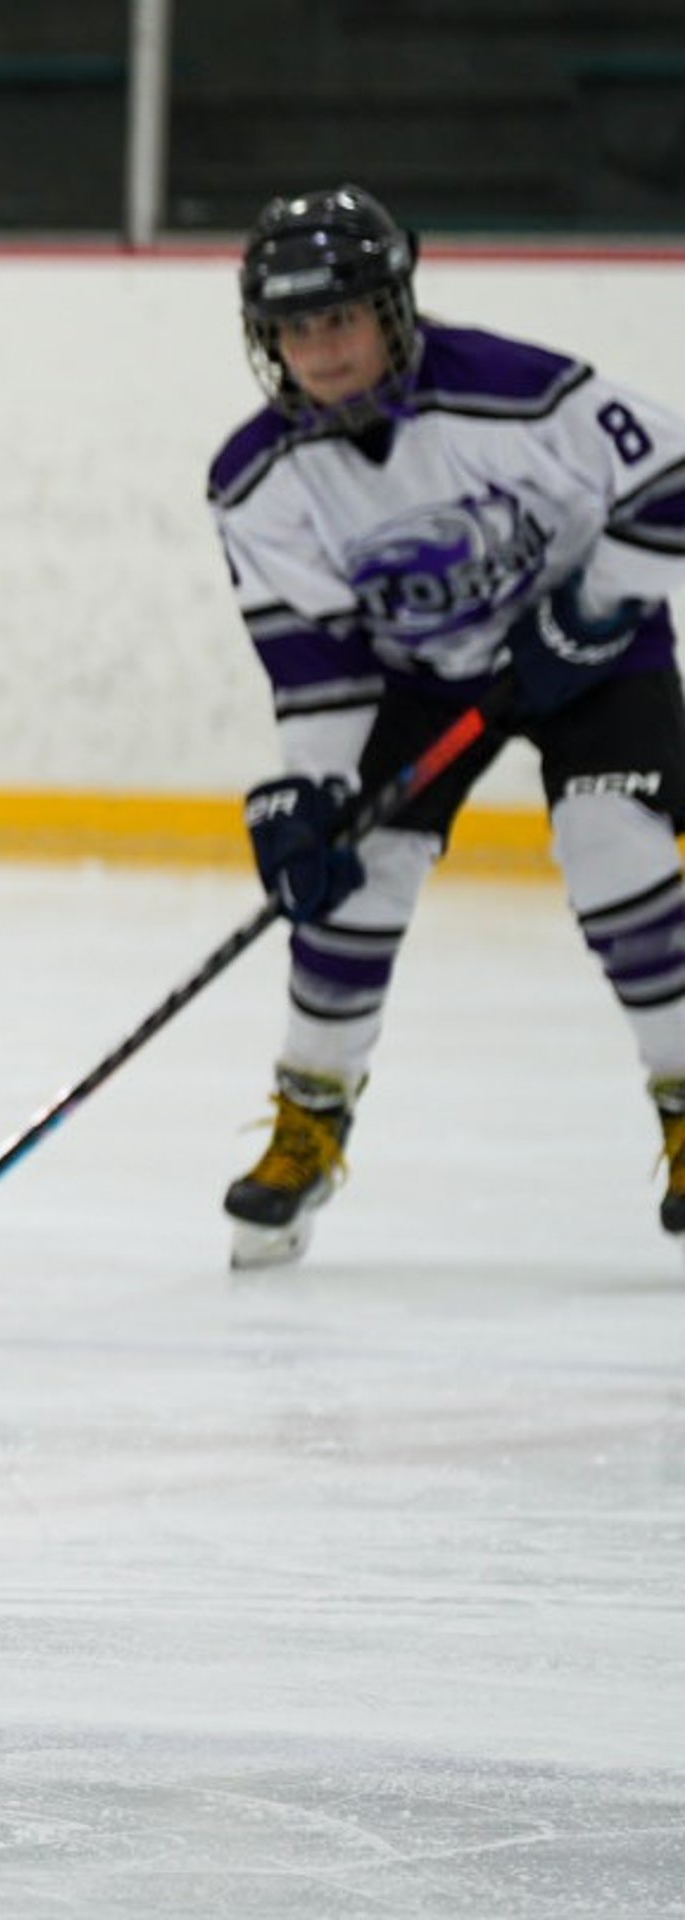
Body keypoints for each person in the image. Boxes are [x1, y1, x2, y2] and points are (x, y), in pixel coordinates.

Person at [212, 184, 685, 1266]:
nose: (320, 350)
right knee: (350, 876)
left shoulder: (518, 392)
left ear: (392, 308)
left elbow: (674, 477)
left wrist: (598, 607)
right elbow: (319, 665)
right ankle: (310, 1119)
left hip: (597, 657)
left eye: (339, 318)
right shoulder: (256, 482)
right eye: (295, 327)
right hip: (419, 682)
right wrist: (315, 797)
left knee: (615, 850)